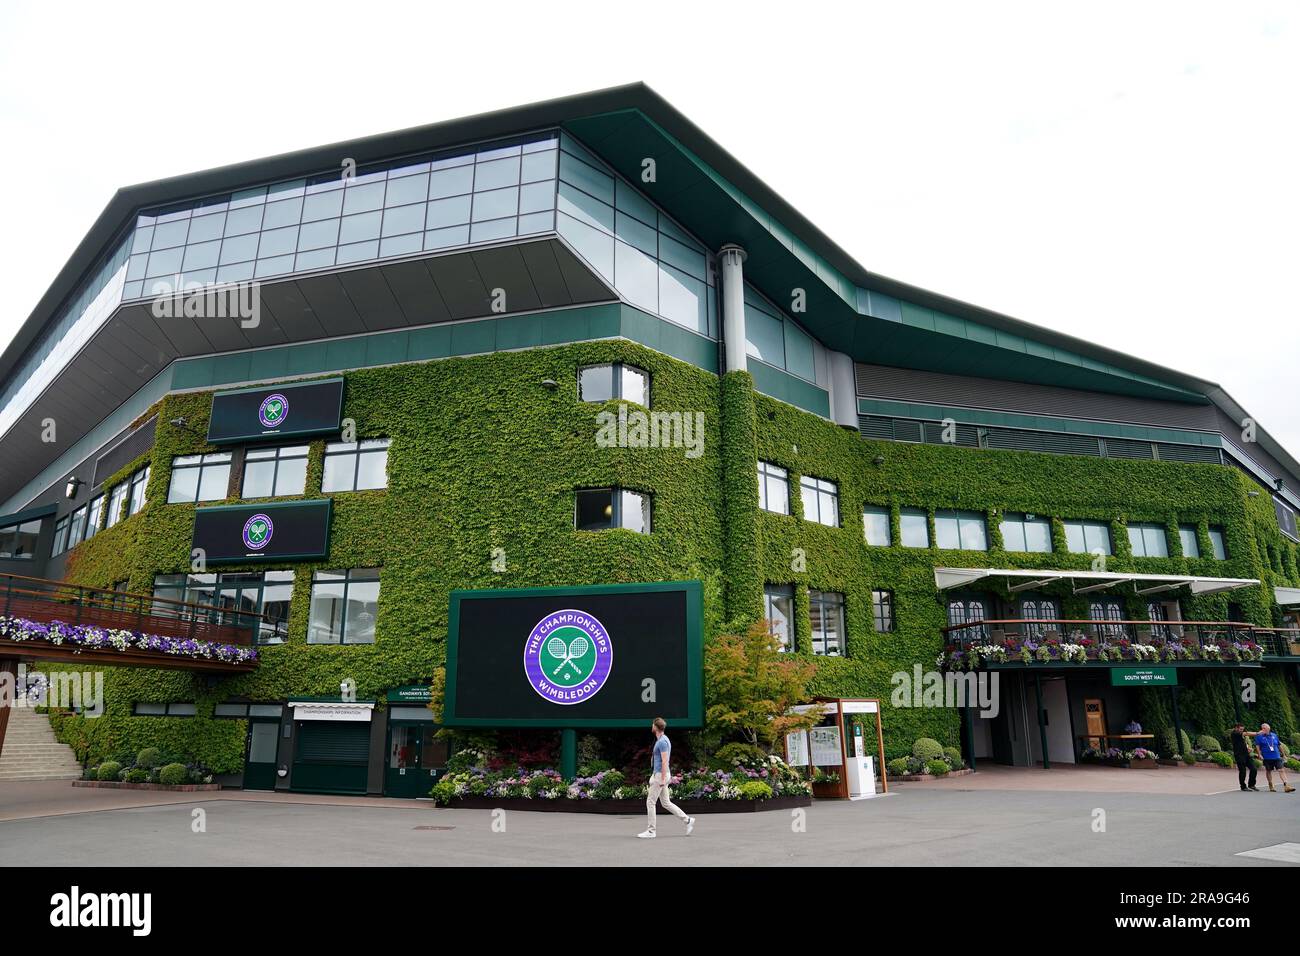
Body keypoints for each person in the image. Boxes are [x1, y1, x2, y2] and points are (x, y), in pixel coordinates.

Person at [637, 717, 696, 839]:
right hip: (659, 774)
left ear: (656, 727)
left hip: (660, 775)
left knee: (650, 802)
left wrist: (663, 779)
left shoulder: (662, 742)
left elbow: (665, 761)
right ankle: (688, 820)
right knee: (665, 802)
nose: (651, 726)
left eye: (652, 724)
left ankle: (651, 831)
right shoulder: (662, 740)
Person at [1246, 723, 1295, 793]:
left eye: (1264, 728)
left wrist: (1283, 754)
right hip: (1266, 757)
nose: (1262, 730)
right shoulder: (1259, 736)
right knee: (1268, 771)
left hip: (1276, 756)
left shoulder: (1274, 735)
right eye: (1262, 728)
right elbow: (1258, 746)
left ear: (1268, 729)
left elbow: (1279, 745)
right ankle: (1270, 784)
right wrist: (1260, 755)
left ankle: (1286, 785)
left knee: (1281, 770)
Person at [1230, 722, 1258, 792]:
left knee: (1254, 769)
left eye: (1242, 729)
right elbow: (1247, 733)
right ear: (1236, 728)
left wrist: (1248, 749)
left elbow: (1241, 744)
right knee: (1242, 771)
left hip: (1246, 755)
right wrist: (1258, 733)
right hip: (1239, 755)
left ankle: (1251, 785)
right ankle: (1243, 786)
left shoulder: (1240, 735)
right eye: (1240, 729)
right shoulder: (1234, 733)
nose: (1242, 730)